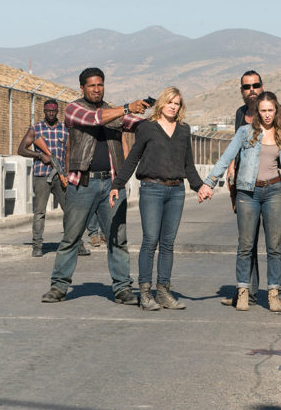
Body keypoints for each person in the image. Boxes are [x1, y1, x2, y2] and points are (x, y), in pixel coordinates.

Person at [41, 67, 150, 304]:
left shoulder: (112, 110)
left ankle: (123, 288)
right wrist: (126, 108)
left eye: (100, 85)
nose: (96, 89)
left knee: (117, 238)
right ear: (82, 87)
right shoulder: (74, 109)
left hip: (111, 184)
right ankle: (59, 286)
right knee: (71, 237)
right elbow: (94, 119)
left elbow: (136, 123)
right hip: (83, 184)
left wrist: (157, 114)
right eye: (91, 85)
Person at [109, 87, 203, 311]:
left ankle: (163, 292)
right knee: (150, 241)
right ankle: (145, 293)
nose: (173, 106)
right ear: (161, 103)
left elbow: (188, 163)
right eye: (169, 102)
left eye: (177, 103)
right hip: (152, 189)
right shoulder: (147, 128)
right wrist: (117, 184)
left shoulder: (183, 130)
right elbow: (133, 158)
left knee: (168, 244)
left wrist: (199, 186)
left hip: (176, 191)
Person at [200, 91, 281, 312]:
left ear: (276, 111)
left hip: (274, 191)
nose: (268, 115)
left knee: (274, 246)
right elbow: (226, 158)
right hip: (247, 193)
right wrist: (209, 183)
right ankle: (243, 292)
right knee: (245, 245)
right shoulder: (245, 133)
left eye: (271, 110)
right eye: (263, 111)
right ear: (257, 113)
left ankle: (273, 293)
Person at [221, 70, 281, 308]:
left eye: (255, 85)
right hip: (246, 187)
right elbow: (239, 147)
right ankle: (249, 292)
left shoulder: (277, 110)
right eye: (247, 87)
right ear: (242, 91)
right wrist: (231, 169)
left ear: (262, 86)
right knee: (248, 240)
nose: (252, 90)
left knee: (277, 241)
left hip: (272, 186)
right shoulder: (241, 115)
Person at [17, 99, 91, 257]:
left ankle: (77, 244)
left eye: (53, 111)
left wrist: (67, 173)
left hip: (60, 175)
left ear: (58, 111)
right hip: (41, 175)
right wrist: (39, 155)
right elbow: (21, 149)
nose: (51, 114)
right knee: (39, 212)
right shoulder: (36, 128)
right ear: (44, 111)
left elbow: (68, 153)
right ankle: (37, 245)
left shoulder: (65, 129)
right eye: (48, 111)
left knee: (70, 211)